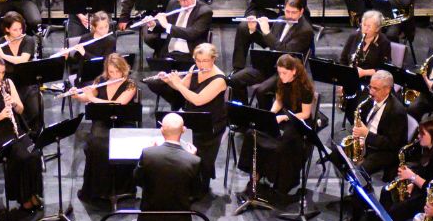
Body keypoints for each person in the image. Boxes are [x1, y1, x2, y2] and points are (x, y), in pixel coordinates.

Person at [239, 53, 316, 200]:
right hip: (284, 116)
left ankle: (279, 182)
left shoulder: (305, 88)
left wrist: (285, 117)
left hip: (298, 122)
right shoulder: (281, 81)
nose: (281, 76)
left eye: (284, 73)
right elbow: (279, 101)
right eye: (279, 73)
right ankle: (256, 175)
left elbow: (306, 114)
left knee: (282, 144)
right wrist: (271, 114)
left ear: (294, 71)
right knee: (252, 133)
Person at [151, 43, 227, 187]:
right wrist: (170, 81)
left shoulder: (219, 79)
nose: (201, 64)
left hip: (210, 123)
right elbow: (183, 87)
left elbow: (198, 100)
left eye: (205, 60)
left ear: (213, 59)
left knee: (199, 156)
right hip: (192, 117)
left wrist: (178, 85)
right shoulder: (194, 69)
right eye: (198, 60)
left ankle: (200, 183)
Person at [0, 56, 42, 212]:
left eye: (3, 73)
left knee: (35, 153)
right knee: (22, 156)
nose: (1, 76)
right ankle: (22, 197)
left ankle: (33, 193)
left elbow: (21, 110)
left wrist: (14, 104)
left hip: (15, 129)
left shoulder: (8, 84)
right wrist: (0, 116)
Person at [71, 52, 136, 203]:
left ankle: (119, 188)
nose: (114, 75)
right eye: (111, 72)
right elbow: (87, 97)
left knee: (110, 146)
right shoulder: (101, 80)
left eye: (117, 71)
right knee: (95, 145)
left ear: (123, 69)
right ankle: (97, 190)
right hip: (102, 120)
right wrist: (77, 96)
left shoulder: (130, 85)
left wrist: (93, 98)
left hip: (122, 122)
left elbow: (118, 104)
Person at [0, 11, 44, 128]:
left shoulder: (28, 40)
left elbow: (22, 60)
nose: (19, 33)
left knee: (35, 111)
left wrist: (2, 55)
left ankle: (34, 136)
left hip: (27, 83)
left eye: (20, 29)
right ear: (7, 29)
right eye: (15, 30)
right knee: (13, 114)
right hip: (7, 85)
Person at [230, 0, 313, 86]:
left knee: (261, 90)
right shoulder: (280, 19)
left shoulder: (306, 30)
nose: (289, 16)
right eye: (287, 11)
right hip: (270, 65)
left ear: (301, 11)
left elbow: (285, 51)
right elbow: (268, 43)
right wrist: (253, 30)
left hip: (286, 71)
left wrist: (267, 32)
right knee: (235, 79)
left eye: (294, 12)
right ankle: (242, 100)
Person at [350, 70, 408, 180]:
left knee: (361, 171)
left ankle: (360, 194)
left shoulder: (397, 111)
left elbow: (392, 144)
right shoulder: (371, 99)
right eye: (370, 87)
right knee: (339, 154)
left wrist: (366, 135)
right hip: (369, 141)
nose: (371, 92)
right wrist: (361, 137)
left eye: (375, 89)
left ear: (387, 90)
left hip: (385, 151)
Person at [138, 0, 210, 68]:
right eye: (181, 0)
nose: (185, 3)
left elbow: (191, 34)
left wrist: (166, 25)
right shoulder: (173, 3)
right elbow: (166, 27)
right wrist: (154, 24)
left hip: (191, 56)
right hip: (169, 54)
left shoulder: (204, 11)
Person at [338, 10, 394, 113]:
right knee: (349, 105)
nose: (365, 29)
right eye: (364, 25)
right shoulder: (354, 36)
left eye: (369, 26)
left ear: (377, 28)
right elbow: (343, 59)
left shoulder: (384, 43)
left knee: (359, 106)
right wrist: (342, 80)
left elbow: (384, 70)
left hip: (372, 81)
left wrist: (364, 72)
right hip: (353, 78)